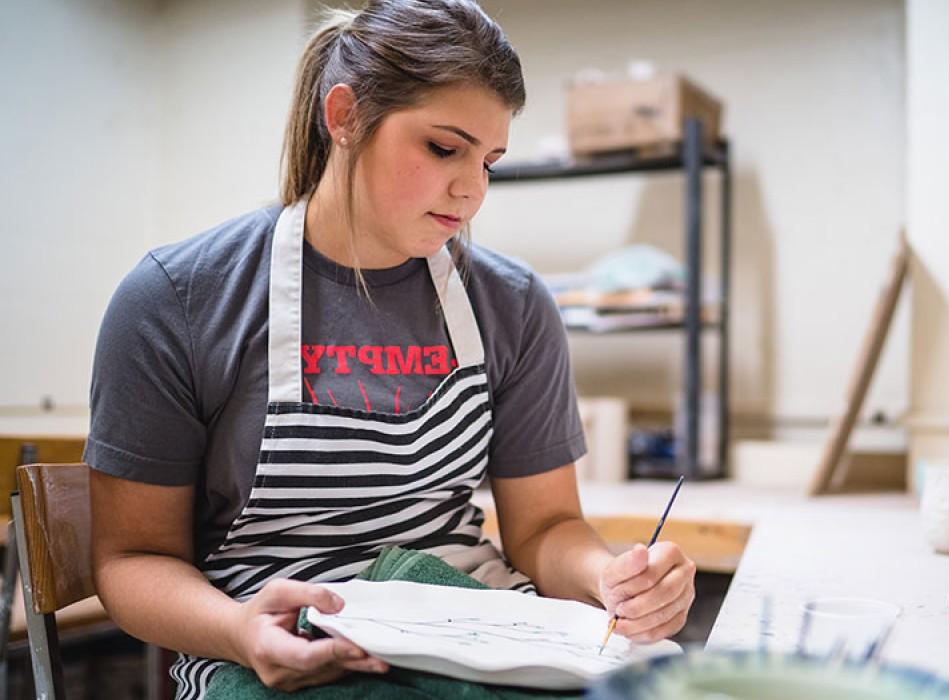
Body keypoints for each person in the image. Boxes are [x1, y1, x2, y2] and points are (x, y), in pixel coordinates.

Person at [85, 1, 697, 698]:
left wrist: (609, 578)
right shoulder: (178, 301)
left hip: (482, 632)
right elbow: (133, 560)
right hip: (269, 650)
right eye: (444, 148)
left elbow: (547, 528)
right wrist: (239, 630)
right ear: (344, 117)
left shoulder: (513, 304)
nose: (472, 191)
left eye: (489, 161)